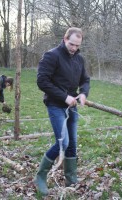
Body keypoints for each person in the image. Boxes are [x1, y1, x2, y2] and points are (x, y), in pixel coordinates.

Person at [36, 27, 90, 196]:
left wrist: (83, 93)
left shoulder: (79, 59)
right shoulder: (52, 56)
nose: (74, 48)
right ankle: (40, 176)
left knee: (72, 143)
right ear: (64, 39)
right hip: (55, 104)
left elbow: (85, 80)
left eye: (77, 45)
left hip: (72, 106)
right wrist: (64, 97)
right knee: (63, 143)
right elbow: (42, 81)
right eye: (71, 44)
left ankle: (71, 179)